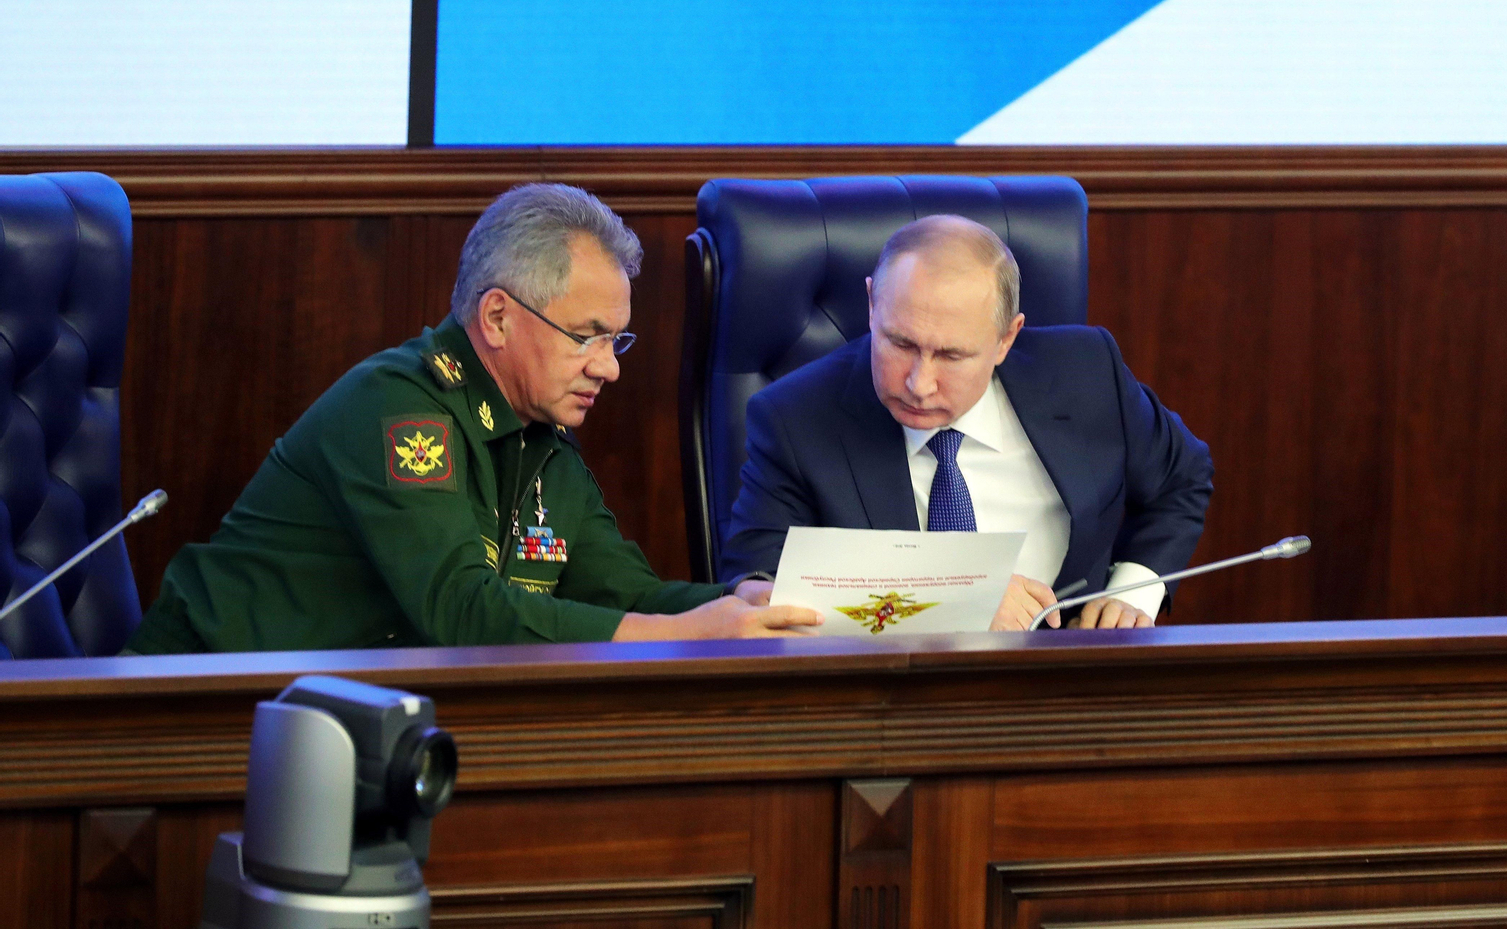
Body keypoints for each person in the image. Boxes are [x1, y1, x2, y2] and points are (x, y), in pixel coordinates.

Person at [127, 183, 819, 653]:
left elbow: (625, 592)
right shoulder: (401, 409)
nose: (609, 367)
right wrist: (689, 634)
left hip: (328, 723)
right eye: (589, 336)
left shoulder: (542, 437)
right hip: (191, 705)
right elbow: (460, 611)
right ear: (497, 317)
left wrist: (741, 600)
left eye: (616, 340)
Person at [720, 215, 1213, 631]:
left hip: (1065, 691)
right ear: (872, 306)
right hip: (890, 703)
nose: (919, 382)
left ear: (1006, 339)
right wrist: (953, 600)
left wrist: (1134, 590)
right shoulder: (795, 417)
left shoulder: (1086, 373)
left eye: (952, 355)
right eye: (900, 344)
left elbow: (1182, 477)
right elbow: (757, 585)